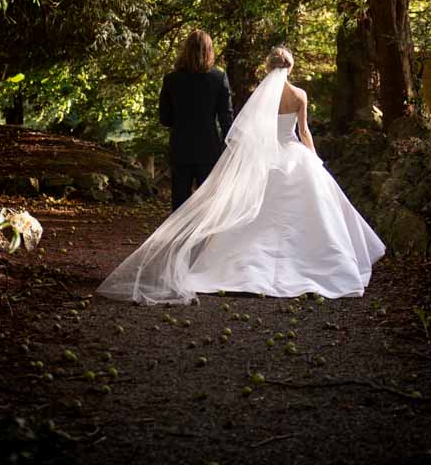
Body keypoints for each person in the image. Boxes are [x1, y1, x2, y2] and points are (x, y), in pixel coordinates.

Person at [97, 46, 385, 304]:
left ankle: (241, 269)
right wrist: (312, 157)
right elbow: (304, 131)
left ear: (268, 68)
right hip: (293, 155)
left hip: (266, 158)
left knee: (256, 214)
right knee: (309, 213)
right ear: (290, 68)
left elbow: (249, 133)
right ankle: (310, 266)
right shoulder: (299, 95)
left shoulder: (260, 98)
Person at [159, 29, 234, 211]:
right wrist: (230, 145)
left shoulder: (171, 80)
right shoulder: (219, 78)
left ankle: (180, 239)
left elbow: (165, 119)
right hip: (208, 148)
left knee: (180, 202)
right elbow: (226, 117)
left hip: (181, 147)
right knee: (208, 204)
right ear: (209, 51)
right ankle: (206, 240)